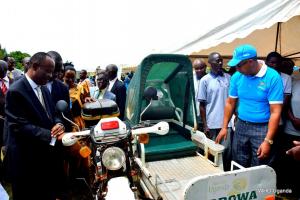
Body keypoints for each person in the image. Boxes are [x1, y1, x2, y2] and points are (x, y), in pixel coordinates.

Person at [3, 52, 65, 200]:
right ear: (35, 67)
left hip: (43, 158)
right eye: (48, 72)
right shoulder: (16, 91)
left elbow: (53, 113)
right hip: (25, 161)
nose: (51, 76)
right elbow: (18, 125)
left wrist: (58, 123)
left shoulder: (43, 88)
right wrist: (51, 134)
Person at [216, 44, 283, 167]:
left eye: (239, 65)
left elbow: (276, 112)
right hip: (241, 125)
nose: (236, 68)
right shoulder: (237, 77)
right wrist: (224, 127)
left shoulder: (272, 77)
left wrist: (268, 141)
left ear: (251, 61)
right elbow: (230, 102)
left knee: (259, 165)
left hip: (263, 128)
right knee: (238, 163)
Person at [198, 53, 232, 171]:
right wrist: (205, 125)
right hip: (212, 123)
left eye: (221, 60)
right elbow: (202, 105)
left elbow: (233, 100)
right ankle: (211, 175)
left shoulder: (228, 77)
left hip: (227, 124)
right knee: (212, 152)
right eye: (217, 61)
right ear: (210, 63)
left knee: (226, 152)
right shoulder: (205, 80)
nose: (221, 63)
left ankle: (226, 174)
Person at [275, 69, 300, 197]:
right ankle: (285, 190)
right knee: (287, 163)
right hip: (290, 129)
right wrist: (293, 119)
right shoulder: (294, 80)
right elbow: (286, 103)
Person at [64, 65, 85, 131]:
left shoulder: (79, 88)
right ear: (63, 76)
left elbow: (83, 102)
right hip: (64, 120)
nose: (70, 80)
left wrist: (86, 99)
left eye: (72, 77)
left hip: (77, 121)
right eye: (67, 77)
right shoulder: (59, 88)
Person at [193, 58, 207, 130]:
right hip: (194, 115)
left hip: (206, 115)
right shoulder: (191, 79)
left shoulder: (209, 79)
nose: (199, 70)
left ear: (205, 67)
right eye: (196, 68)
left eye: (201, 68)